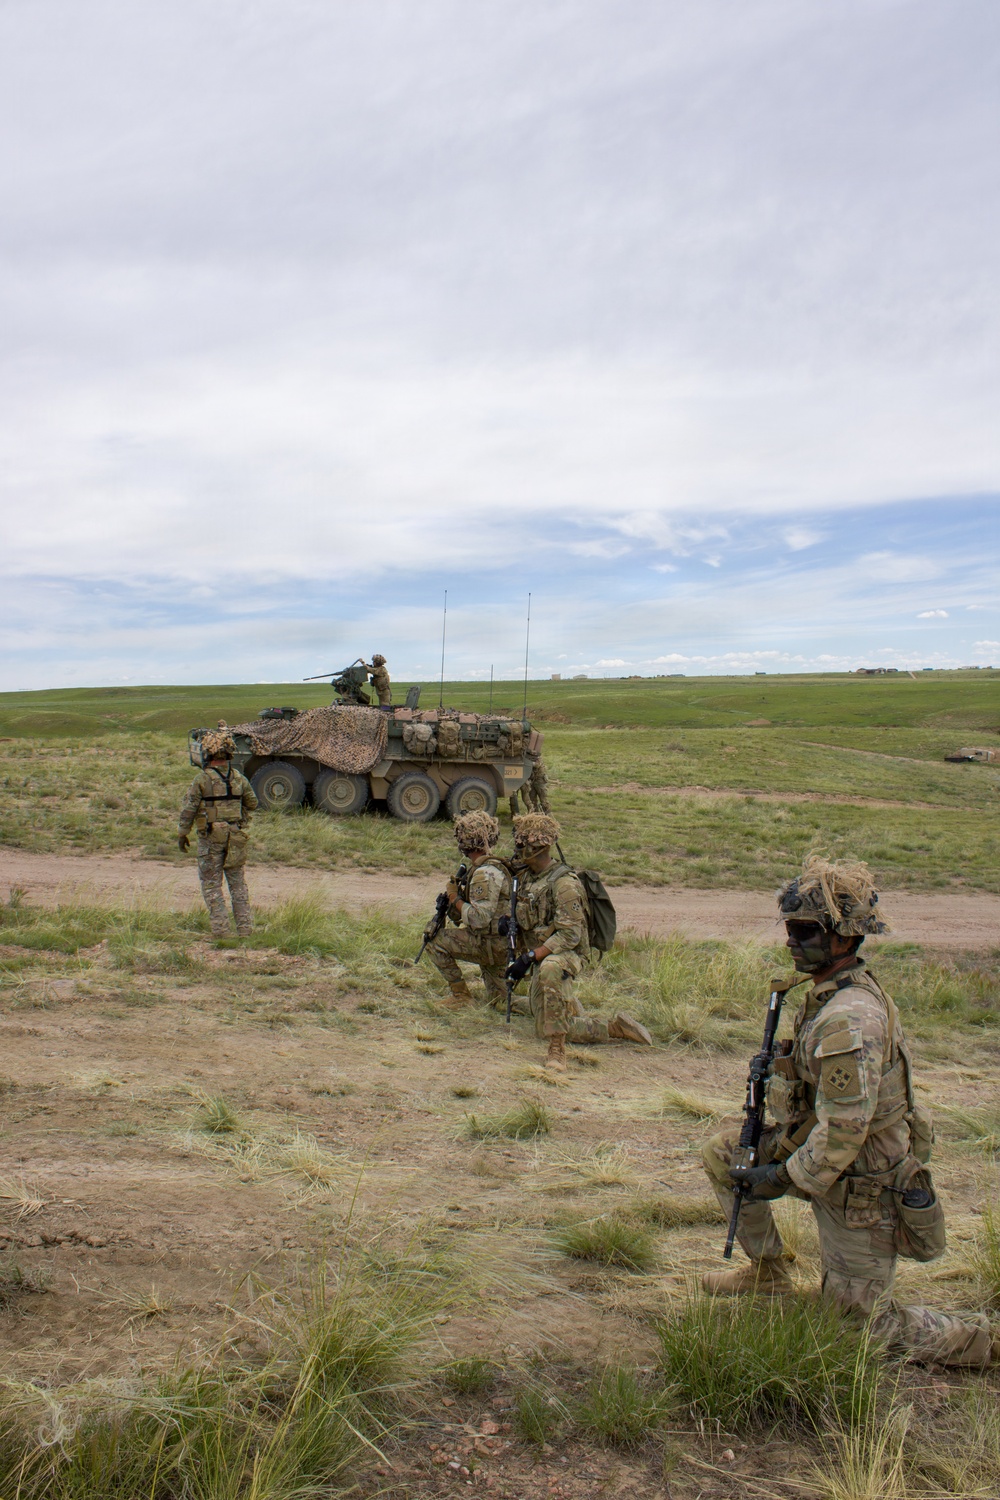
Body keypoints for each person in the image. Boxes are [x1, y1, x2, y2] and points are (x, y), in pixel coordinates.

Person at [700, 855, 998, 1369]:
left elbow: (844, 1134)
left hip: (862, 1180)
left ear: (843, 938)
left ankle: (981, 1342)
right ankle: (767, 1275)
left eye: (804, 930)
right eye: (789, 928)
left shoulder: (847, 1018)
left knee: (859, 1329)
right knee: (727, 1153)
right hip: (817, 1151)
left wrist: (779, 1175)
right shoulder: (828, 991)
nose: (791, 940)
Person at [506, 813, 652, 1072]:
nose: (517, 852)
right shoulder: (529, 878)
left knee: (550, 982)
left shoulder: (564, 885)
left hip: (567, 953)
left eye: (521, 846)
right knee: (542, 1019)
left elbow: (570, 935)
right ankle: (569, 1008)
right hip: (543, 951)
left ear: (535, 849)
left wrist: (530, 957)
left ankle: (563, 1047)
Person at [177, 730, 258, 939]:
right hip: (235, 835)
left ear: (208, 755)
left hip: (211, 836)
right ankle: (245, 929)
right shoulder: (239, 778)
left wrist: (182, 833)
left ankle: (222, 931)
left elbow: (189, 809)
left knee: (212, 885)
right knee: (237, 884)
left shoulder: (202, 779)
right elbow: (253, 803)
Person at [425, 811, 510, 1009]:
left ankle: (461, 996)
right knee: (501, 1002)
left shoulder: (483, 874)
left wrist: (455, 898)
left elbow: (479, 919)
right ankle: (553, 1007)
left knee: (434, 940)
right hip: (500, 943)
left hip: (490, 944)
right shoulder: (491, 866)